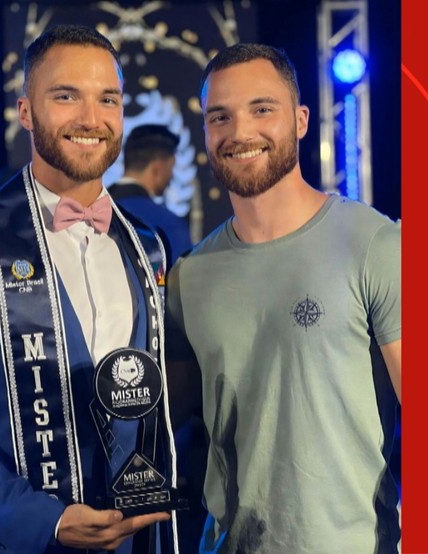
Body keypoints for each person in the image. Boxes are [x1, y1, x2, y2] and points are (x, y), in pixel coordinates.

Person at [165, 44, 402, 553]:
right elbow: (158, 422)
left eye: (262, 109)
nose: (240, 132)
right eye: (219, 117)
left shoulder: (373, 244)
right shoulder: (190, 276)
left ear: (299, 120)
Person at [0, 25, 181, 554]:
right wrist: (46, 521)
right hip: (17, 541)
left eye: (108, 99)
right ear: (26, 111)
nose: (91, 118)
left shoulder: (147, 246)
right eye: (66, 96)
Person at [107, 125, 193, 265]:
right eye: (171, 168)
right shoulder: (169, 225)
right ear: (157, 169)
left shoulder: (88, 215)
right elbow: (183, 283)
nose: (171, 176)